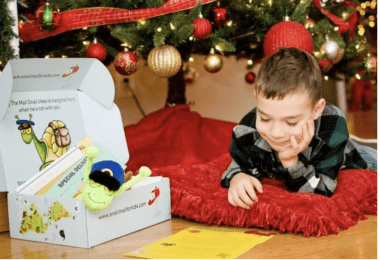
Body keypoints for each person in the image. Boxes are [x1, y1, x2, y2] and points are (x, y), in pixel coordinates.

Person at [221, 47, 377, 210]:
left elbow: (321, 192)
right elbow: (236, 166)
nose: (276, 133)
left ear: (317, 110)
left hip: (350, 155)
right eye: (265, 118)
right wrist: (237, 177)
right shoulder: (247, 129)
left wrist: (290, 162)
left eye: (291, 122)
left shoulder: (332, 125)